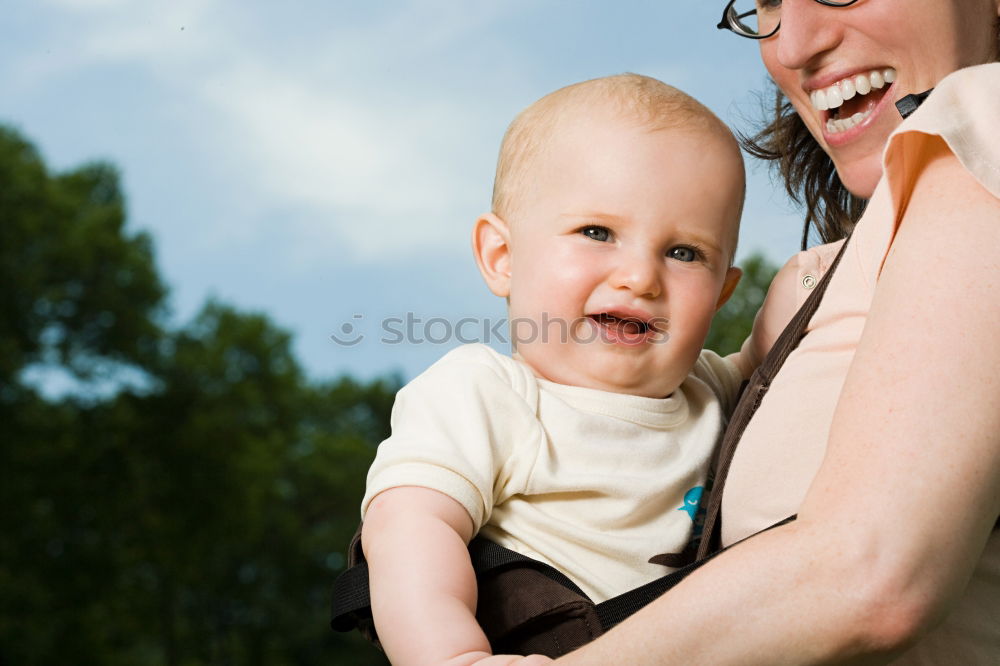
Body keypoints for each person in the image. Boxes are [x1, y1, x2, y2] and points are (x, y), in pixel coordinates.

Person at [552, 1, 1000, 664]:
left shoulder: (985, 114)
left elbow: (870, 573)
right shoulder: (811, 284)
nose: (792, 47)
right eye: (765, 3)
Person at [359, 74, 804, 666]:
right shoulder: (485, 393)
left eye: (684, 253)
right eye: (597, 232)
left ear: (722, 293)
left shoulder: (709, 389)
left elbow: (779, 351)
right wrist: (453, 655)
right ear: (503, 258)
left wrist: (817, 275)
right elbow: (408, 527)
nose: (640, 277)